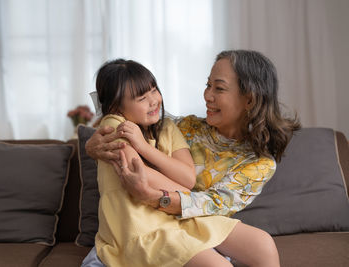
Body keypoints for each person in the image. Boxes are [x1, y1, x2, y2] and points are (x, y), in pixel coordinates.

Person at [83, 50, 300, 267]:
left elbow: (210, 204)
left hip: (195, 217)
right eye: (208, 85)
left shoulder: (259, 164)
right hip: (146, 225)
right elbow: (123, 110)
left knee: (263, 244)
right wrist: (91, 146)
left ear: (249, 100)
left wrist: (152, 195)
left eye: (219, 88)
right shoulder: (186, 127)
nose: (207, 95)